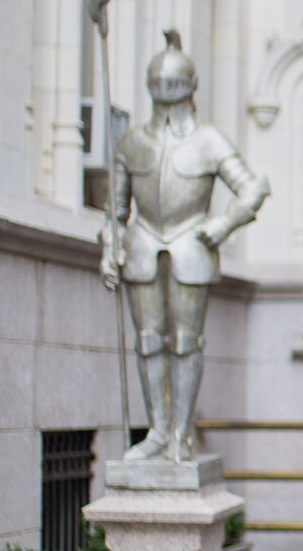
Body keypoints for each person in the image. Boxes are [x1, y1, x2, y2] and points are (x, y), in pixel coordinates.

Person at [100, 31, 269, 462]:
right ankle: (157, 430)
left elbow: (252, 188)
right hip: (143, 242)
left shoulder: (209, 140)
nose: (166, 93)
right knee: (147, 340)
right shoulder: (132, 142)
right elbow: (116, 210)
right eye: (160, 83)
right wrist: (108, 248)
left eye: (172, 84)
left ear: (190, 86)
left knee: (185, 340)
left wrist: (223, 224)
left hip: (191, 241)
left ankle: (180, 433)